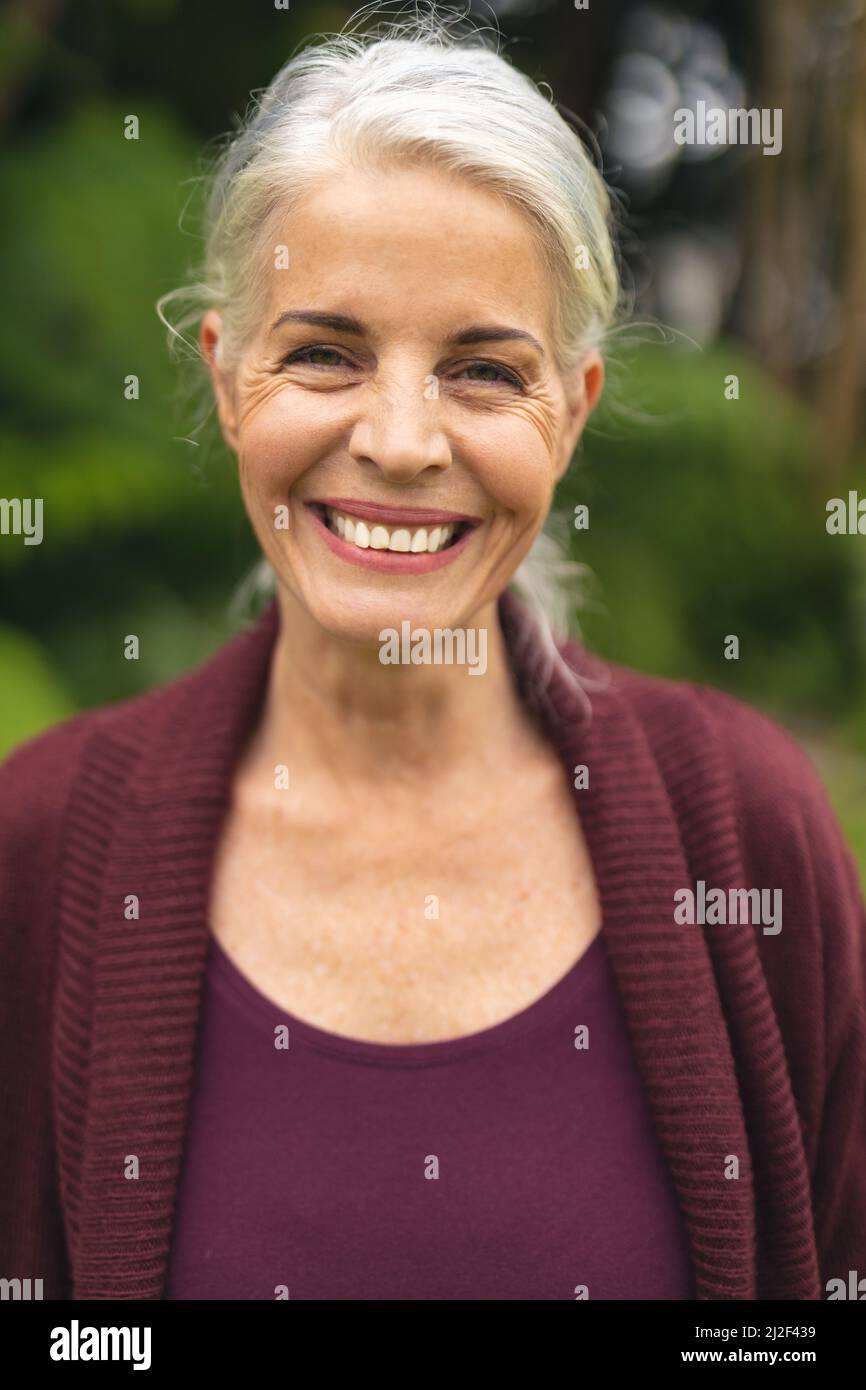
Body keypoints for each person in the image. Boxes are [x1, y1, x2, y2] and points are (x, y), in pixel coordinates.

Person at [1, 8, 864, 1302]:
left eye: (479, 370)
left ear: (566, 415)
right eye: (325, 353)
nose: (401, 440)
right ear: (229, 380)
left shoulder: (744, 832)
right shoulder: (43, 847)